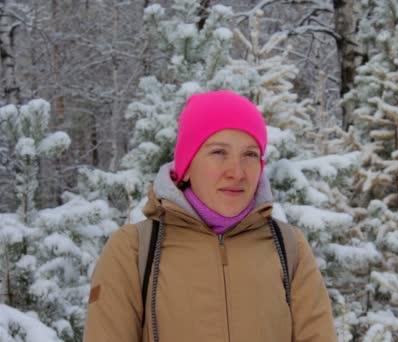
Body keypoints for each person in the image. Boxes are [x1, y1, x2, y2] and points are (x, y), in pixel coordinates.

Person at [83, 90, 337, 341]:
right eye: (218, 152)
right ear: (188, 165)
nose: (237, 172)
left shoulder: (289, 247)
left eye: (249, 154)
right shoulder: (134, 250)